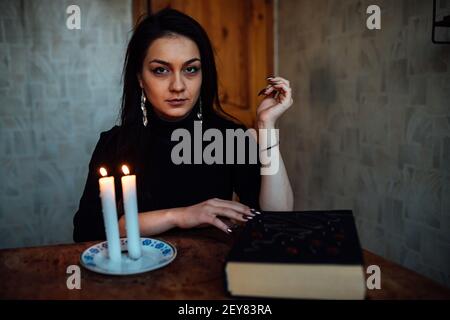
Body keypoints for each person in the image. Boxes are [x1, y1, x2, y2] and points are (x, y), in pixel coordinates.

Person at [73, 8, 293, 242]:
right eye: (161, 70)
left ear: (202, 74)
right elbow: (87, 231)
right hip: (143, 271)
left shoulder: (230, 137)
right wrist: (180, 216)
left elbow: (277, 218)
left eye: (190, 69)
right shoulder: (114, 144)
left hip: (212, 268)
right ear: (140, 78)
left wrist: (266, 126)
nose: (178, 86)